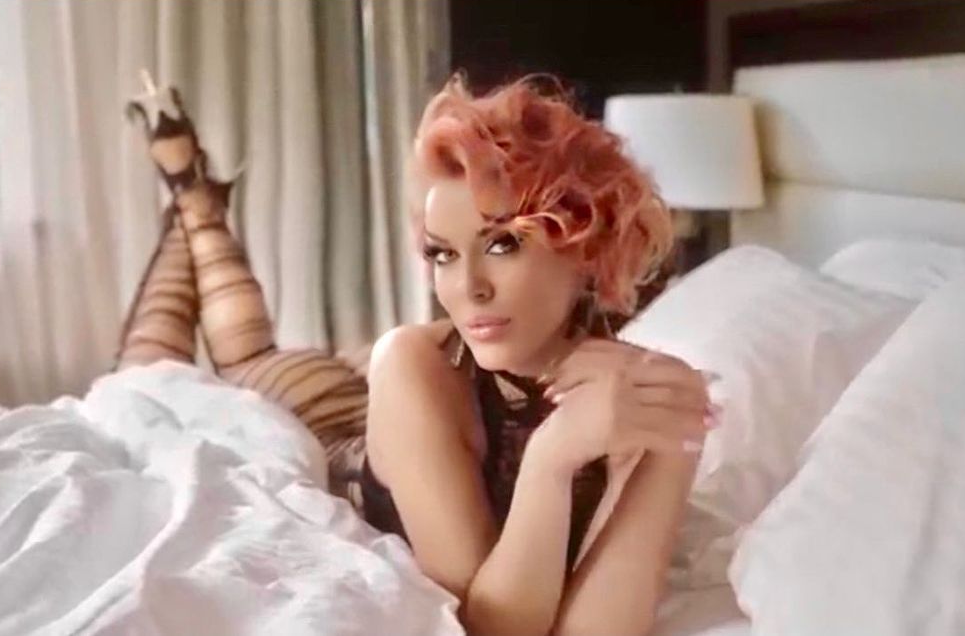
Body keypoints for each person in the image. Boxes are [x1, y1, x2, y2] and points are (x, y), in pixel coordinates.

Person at [119, 72, 714, 636]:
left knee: (239, 343)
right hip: (326, 419)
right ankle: (195, 201)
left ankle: (194, 198)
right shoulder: (409, 362)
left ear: (584, 245)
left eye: (502, 244)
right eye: (442, 254)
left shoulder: (626, 391)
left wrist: (676, 445)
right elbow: (492, 627)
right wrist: (551, 457)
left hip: (394, 399)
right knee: (173, 364)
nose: (467, 288)